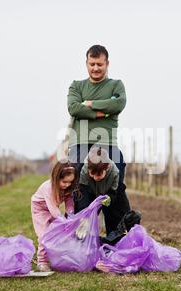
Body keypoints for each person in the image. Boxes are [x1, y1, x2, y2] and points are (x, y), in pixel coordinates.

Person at [67, 44, 128, 210]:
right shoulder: (77, 86)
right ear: (86, 63)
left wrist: (89, 104)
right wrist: (102, 113)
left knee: (115, 189)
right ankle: (82, 232)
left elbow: (118, 104)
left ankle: (116, 234)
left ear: (107, 63)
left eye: (99, 64)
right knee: (79, 190)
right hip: (80, 143)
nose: (95, 68)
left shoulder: (116, 85)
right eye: (91, 64)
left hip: (108, 143)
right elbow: (74, 108)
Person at [30, 160, 78, 272]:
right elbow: (53, 209)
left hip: (52, 209)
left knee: (55, 233)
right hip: (40, 210)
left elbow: (69, 203)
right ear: (56, 177)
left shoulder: (67, 188)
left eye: (70, 182)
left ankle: (55, 257)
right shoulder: (48, 188)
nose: (67, 185)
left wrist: (71, 217)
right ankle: (42, 261)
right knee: (44, 235)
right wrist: (63, 221)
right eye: (64, 182)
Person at [75, 146, 131, 237]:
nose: (96, 178)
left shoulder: (114, 173)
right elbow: (83, 194)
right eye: (92, 174)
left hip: (106, 191)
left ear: (107, 168)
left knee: (116, 215)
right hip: (90, 190)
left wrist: (109, 198)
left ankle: (114, 238)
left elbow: (114, 191)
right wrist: (84, 216)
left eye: (99, 174)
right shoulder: (84, 170)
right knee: (81, 213)